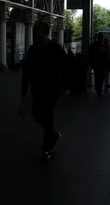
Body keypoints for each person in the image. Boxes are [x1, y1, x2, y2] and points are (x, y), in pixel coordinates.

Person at [20, 21, 66, 155]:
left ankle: (47, 145)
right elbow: (27, 70)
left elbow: (63, 67)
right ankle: (52, 135)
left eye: (37, 31)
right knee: (36, 114)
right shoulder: (33, 49)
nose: (34, 34)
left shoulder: (55, 48)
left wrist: (63, 85)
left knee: (47, 114)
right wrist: (24, 88)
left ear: (45, 33)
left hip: (51, 88)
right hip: (37, 87)